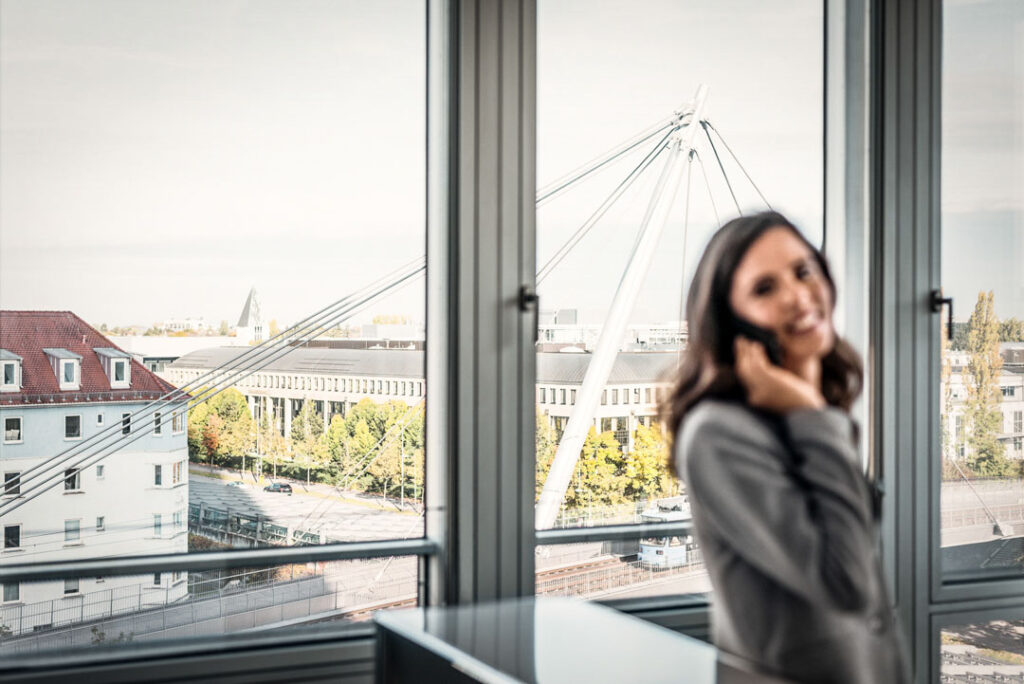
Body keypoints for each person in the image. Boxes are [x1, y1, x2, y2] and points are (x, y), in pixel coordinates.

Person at [660, 212, 910, 684]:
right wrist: (813, 417)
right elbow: (848, 584)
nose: (798, 296)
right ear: (731, 320)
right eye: (765, 289)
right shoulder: (719, 434)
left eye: (803, 271)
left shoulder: (807, 411)